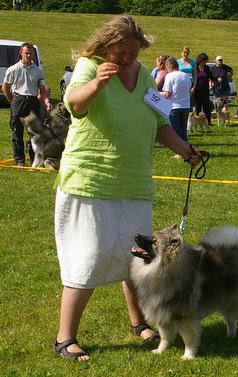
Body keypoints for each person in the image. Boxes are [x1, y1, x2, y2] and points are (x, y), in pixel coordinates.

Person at [53, 15, 203, 362]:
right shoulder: (90, 67)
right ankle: (65, 337)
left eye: (132, 54)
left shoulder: (146, 75)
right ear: (106, 47)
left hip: (134, 181)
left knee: (136, 257)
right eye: (119, 54)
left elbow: (159, 122)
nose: (125, 60)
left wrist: (184, 149)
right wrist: (97, 84)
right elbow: (75, 104)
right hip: (91, 180)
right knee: (88, 258)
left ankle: (138, 322)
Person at [2, 42, 53, 166]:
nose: (29, 56)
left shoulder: (38, 71)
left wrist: (46, 102)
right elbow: (5, 87)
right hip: (18, 99)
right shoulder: (13, 69)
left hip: (32, 101)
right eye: (26, 53)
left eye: (30, 54)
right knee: (16, 132)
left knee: (35, 133)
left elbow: (42, 89)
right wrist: (12, 101)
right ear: (21, 53)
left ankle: (34, 159)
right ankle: (19, 161)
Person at [160, 57, 191, 144]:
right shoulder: (186, 75)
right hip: (186, 106)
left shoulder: (169, 76)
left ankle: (180, 151)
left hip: (174, 106)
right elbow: (189, 92)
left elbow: (167, 94)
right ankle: (186, 147)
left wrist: (158, 93)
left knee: (175, 131)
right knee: (183, 130)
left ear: (169, 66)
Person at [192, 52, 215, 126]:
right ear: (201, 60)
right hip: (197, 90)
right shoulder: (195, 68)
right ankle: (198, 122)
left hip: (205, 90)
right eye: (205, 61)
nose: (206, 62)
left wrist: (217, 78)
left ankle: (208, 122)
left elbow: (211, 77)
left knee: (206, 107)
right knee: (197, 107)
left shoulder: (207, 68)